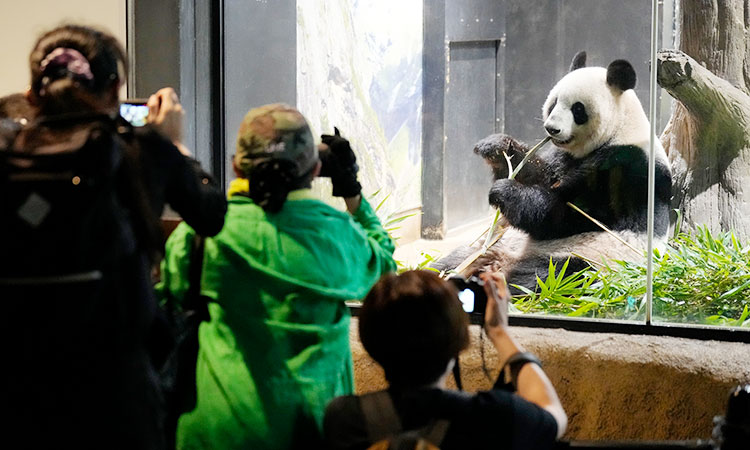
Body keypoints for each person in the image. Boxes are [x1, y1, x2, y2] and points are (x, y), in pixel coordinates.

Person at [0, 24, 226, 450]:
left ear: (33, 93)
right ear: (116, 89)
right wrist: (175, 147)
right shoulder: (138, 149)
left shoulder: (7, 150)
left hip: (17, 387)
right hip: (116, 393)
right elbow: (213, 216)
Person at [157, 103, 397, 449]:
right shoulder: (337, 236)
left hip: (215, 433)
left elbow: (170, 298)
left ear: (236, 166)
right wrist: (352, 191)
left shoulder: (201, 235)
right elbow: (385, 268)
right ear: (316, 169)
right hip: (311, 432)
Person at [324, 270, 568, 450]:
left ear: (369, 343)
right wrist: (499, 332)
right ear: (460, 343)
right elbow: (554, 414)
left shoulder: (343, 419)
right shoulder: (493, 417)